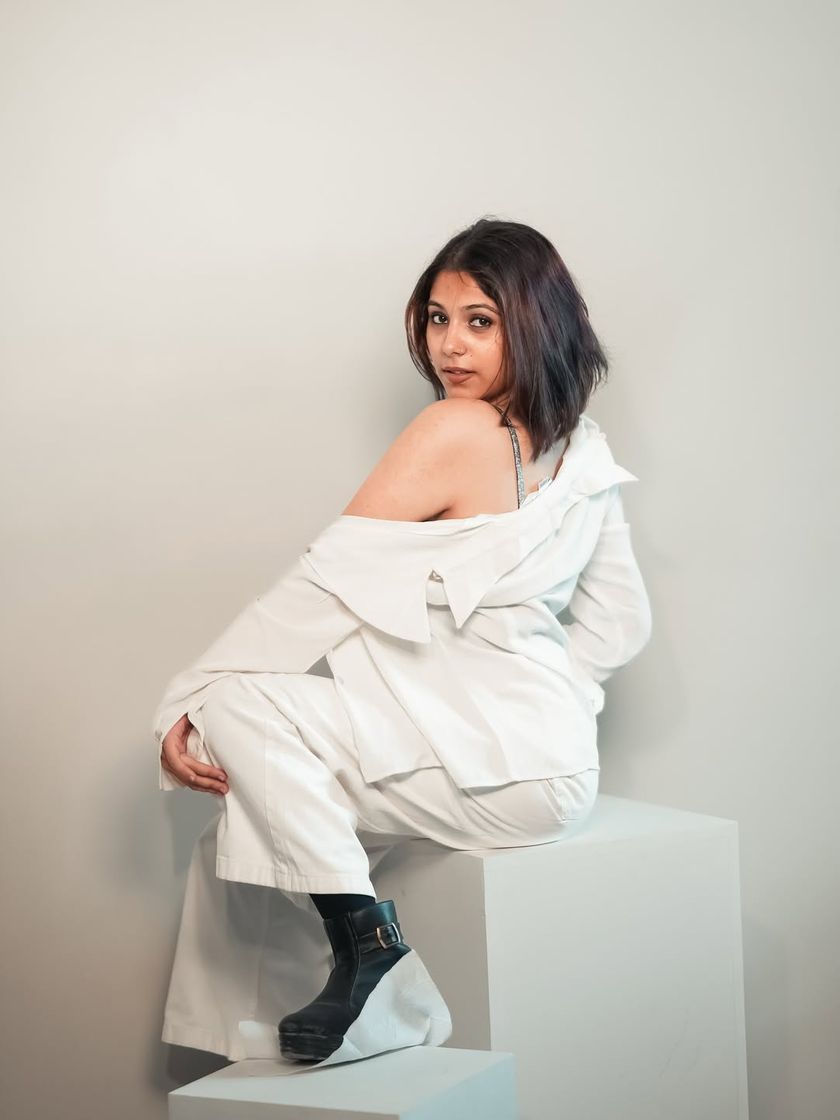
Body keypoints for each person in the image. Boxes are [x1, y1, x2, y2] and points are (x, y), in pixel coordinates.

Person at [153, 216, 653, 1068]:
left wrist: (186, 698)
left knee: (235, 712)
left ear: (535, 323)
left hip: (490, 771)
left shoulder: (451, 429)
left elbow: (318, 590)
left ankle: (372, 959)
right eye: (436, 318)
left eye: (480, 321)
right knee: (257, 813)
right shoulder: (584, 448)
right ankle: (353, 990)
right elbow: (620, 621)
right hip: (559, 775)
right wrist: (551, 711)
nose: (449, 345)